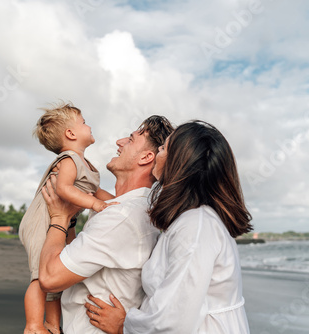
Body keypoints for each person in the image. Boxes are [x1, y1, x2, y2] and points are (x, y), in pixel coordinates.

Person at [84, 120, 253, 333]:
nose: (158, 153)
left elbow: (174, 319)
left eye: (163, 148)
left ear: (180, 161)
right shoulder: (189, 220)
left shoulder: (196, 226)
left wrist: (123, 325)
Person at [38, 116, 174, 334]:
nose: (120, 142)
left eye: (130, 139)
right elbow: (75, 257)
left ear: (146, 157)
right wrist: (71, 223)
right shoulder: (127, 209)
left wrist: (58, 219)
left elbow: (49, 278)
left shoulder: (121, 216)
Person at [18, 102, 115, 334]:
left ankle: (52, 325)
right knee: (40, 276)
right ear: (70, 134)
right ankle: (33, 325)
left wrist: (120, 202)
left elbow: (97, 192)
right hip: (42, 220)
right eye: (83, 122)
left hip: (61, 222)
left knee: (55, 276)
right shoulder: (69, 159)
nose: (88, 125)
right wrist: (94, 204)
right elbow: (63, 189)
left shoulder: (86, 165)